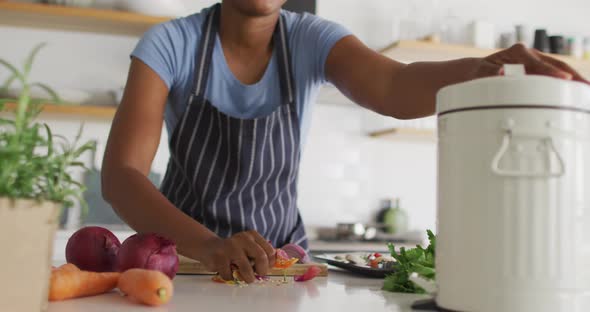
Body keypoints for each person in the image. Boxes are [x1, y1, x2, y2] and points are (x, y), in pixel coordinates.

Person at [101, 0, 588, 283]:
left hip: (283, 267)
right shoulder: (170, 45)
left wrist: (483, 69)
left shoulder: (312, 40)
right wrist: (208, 246)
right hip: (186, 266)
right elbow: (122, 176)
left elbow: (395, 87)